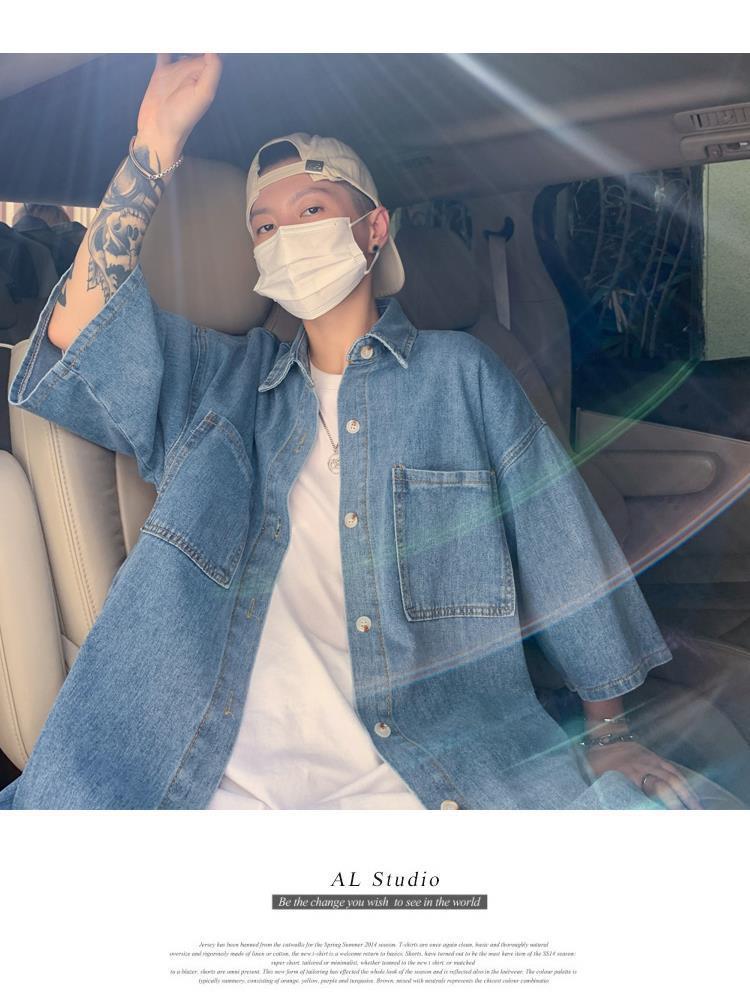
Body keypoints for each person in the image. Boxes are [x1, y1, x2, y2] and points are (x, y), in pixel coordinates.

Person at [0, 54, 732, 811]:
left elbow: (560, 542)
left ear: (373, 229)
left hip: (432, 780)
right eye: (264, 226)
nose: (285, 236)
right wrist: (154, 143)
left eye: (311, 210)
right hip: (200, 786)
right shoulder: (218, 380)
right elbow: (78, 333)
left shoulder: (460, 375)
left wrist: (608, 729)